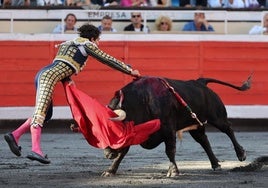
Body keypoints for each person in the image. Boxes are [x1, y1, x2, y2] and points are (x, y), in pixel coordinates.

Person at [4, 24, 140, 164]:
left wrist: (68, 79)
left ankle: (15, 135)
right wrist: (129, 70)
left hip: (44, 74)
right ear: (92, 38)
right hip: (48, 77)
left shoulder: (68, 44)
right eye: (98, 40)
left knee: (46, 114)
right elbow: (107, 59)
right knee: (40, 114)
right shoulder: (87, 44)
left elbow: (62, 65)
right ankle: (36, 150)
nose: (98, 43)